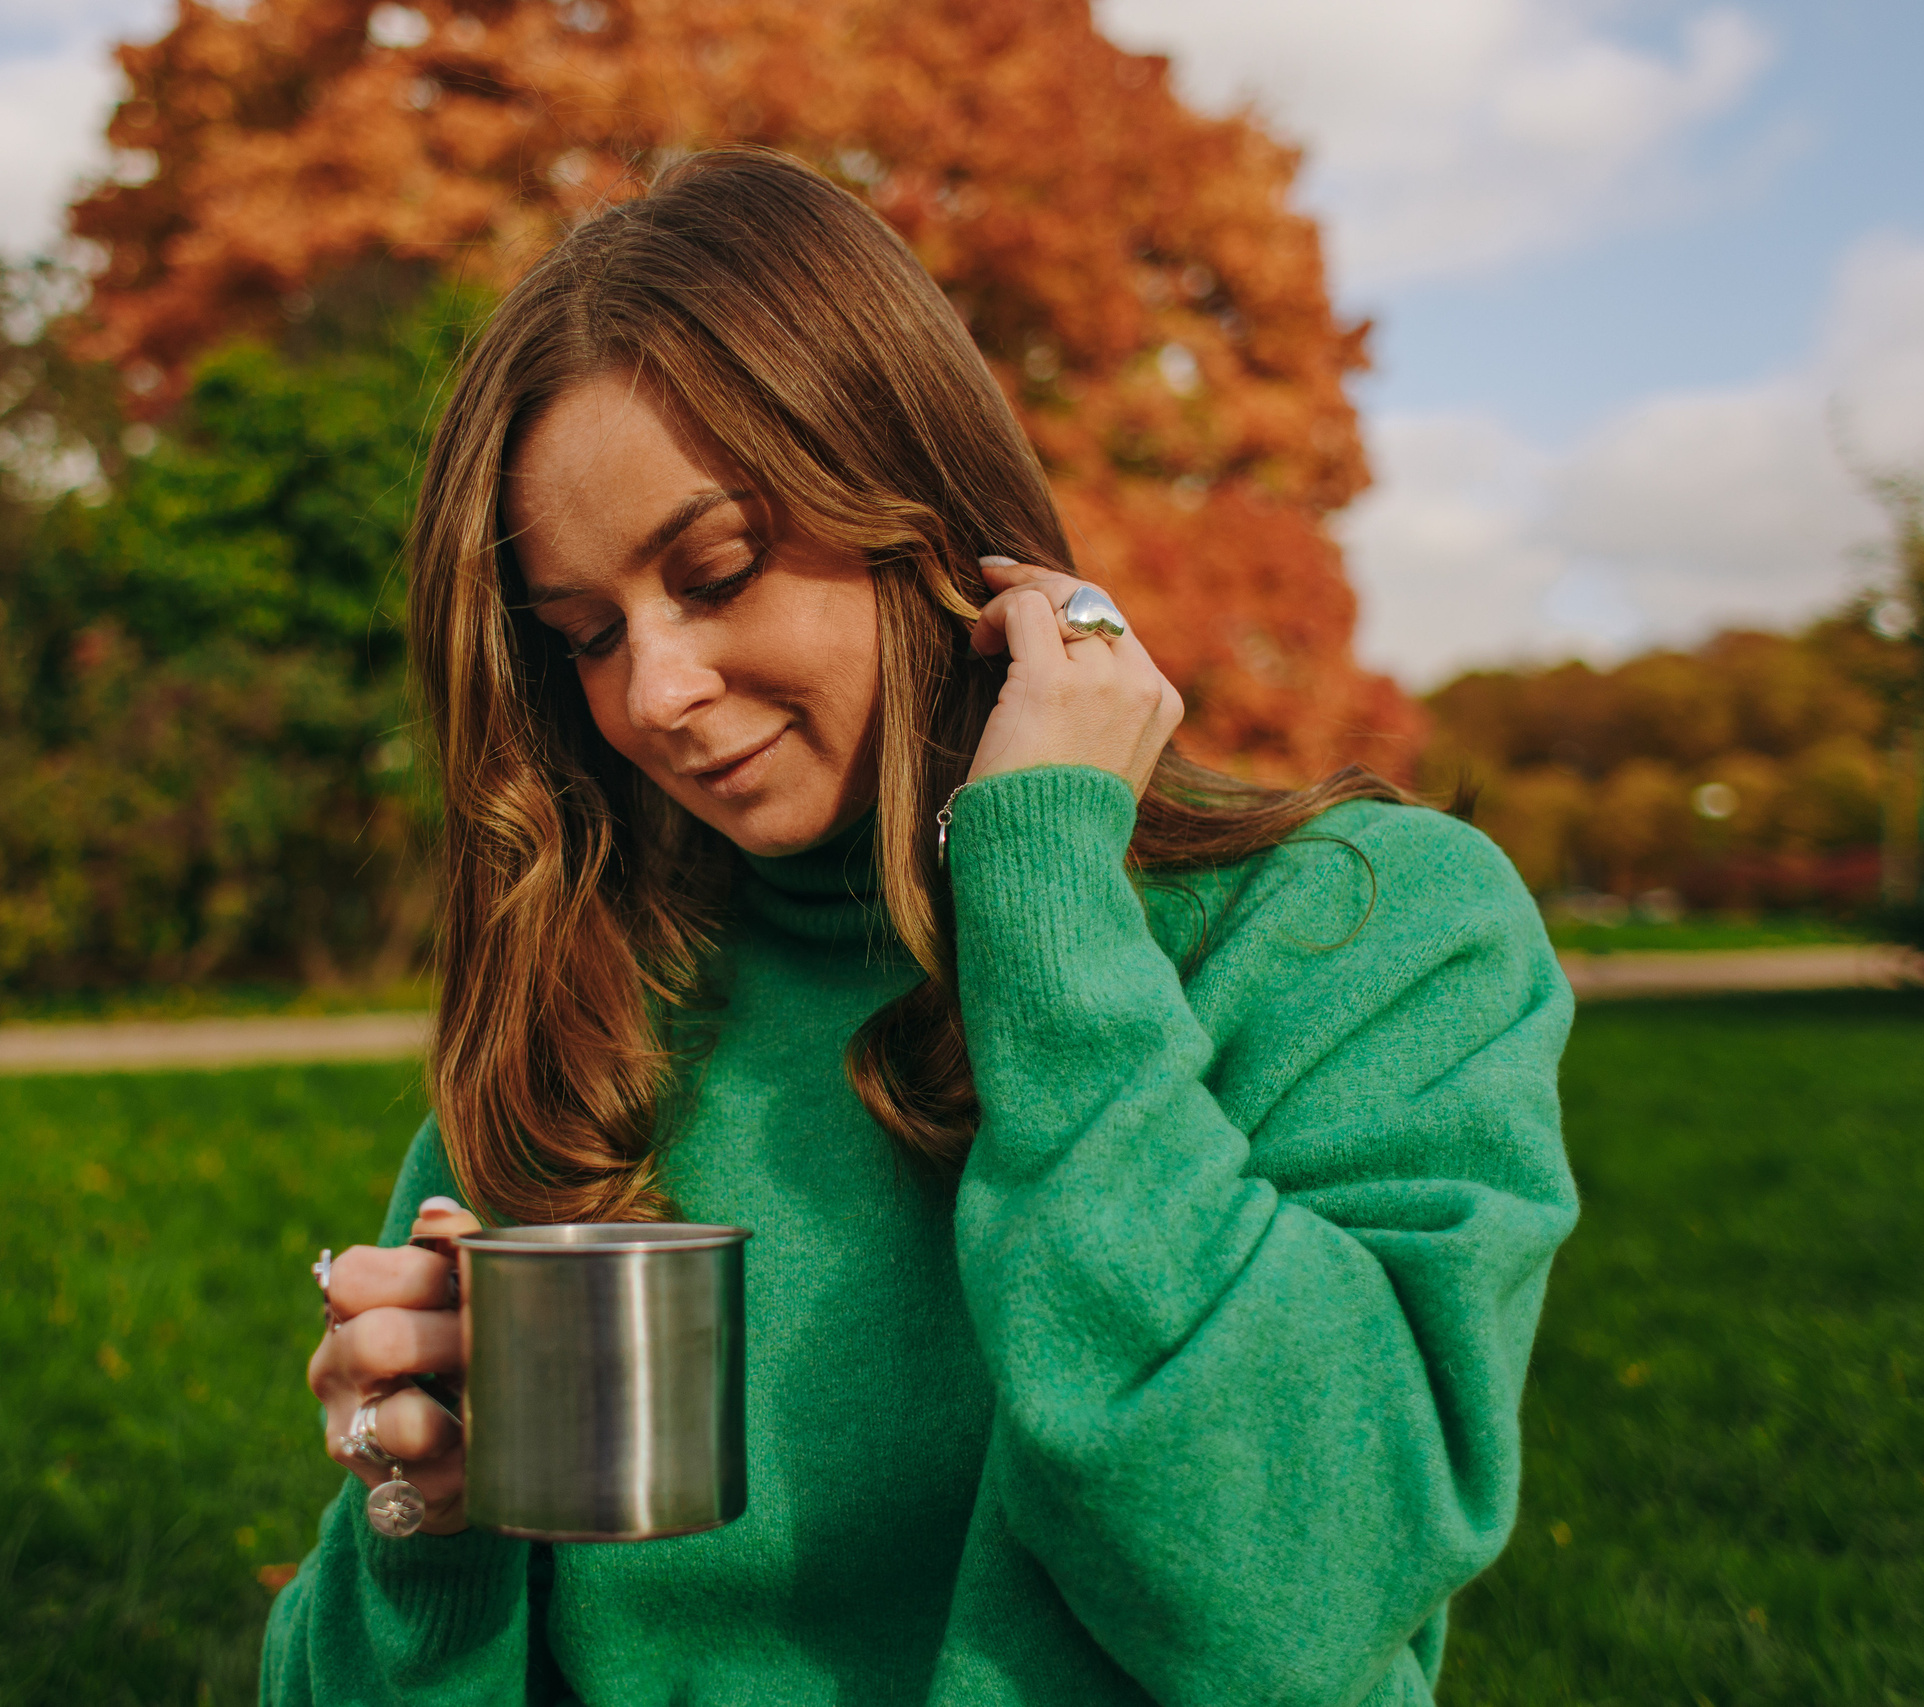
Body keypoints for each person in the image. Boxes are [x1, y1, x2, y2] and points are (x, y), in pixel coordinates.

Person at [269, 147, 1576, 1706]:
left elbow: (1291, 1603)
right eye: (589, 636)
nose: (655, 694)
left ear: (926, 511)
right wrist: (426, 1531)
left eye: (719, 570)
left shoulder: (1363, 932)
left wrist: (1044, 898)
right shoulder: (594, 1018)